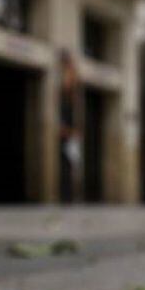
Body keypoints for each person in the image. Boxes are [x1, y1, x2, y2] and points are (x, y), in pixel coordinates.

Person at [57, 50, 82, 203]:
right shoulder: (65, 95)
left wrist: (73, 131)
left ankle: (69, 196)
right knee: (66, 164)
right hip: (66, 133)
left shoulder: (71, 96)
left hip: (70, 134)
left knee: (70, 164)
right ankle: (66, 196)